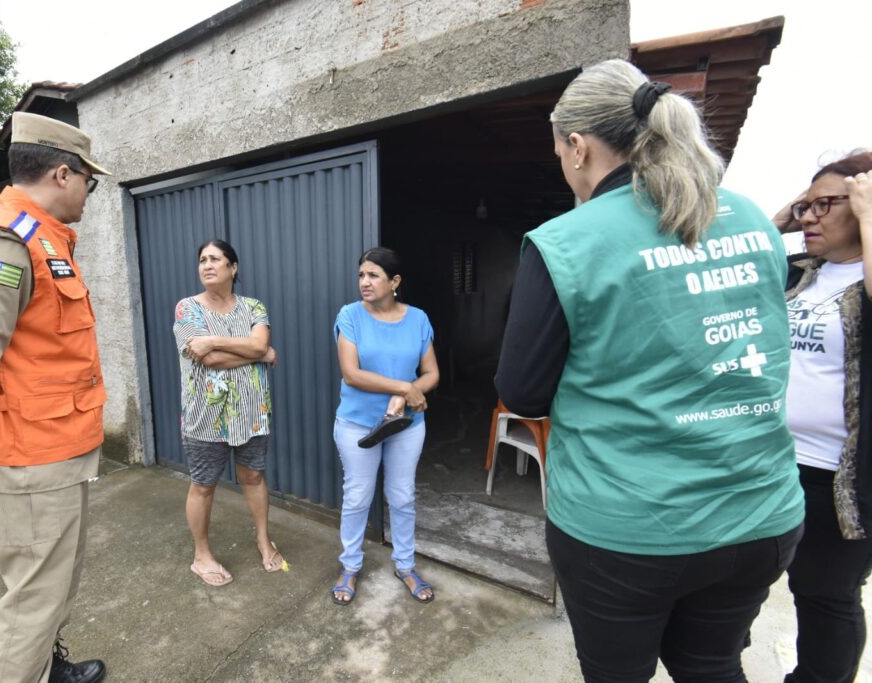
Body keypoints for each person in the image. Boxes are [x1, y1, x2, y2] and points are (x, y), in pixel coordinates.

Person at [495, 59, 804, 681]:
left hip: (629, 528)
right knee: (713, 666)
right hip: (760, 514)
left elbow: (522, 392)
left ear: (578, 147)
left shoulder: (567, 241)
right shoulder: (752, 221)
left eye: (559, 151)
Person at [0, 112, 110, 683]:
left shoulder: (41, 240)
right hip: (25, 459)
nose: (88, 192)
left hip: (51, 453)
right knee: (32, 602)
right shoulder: (6, 245)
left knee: (51, 588)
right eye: (89, 181)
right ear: (62, 174)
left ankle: (47, 671)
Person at [783, 151, 872, 683]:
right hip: (769, 462)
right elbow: (741, 247)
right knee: (735, 581)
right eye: (805, 206)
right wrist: (795, 207)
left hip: (835, 480)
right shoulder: (798, 275)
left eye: (826, 206)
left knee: (823, 595)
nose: (809, 218)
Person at [330, 247, 440, 606]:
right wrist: (402, 388)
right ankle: (349, 566)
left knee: (403, 496)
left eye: (373, 275)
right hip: (358, 424)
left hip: (406, 424)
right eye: (362, 274)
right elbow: (352, 373)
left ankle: (405, 565)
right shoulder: (350, 316)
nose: (365, 282)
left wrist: (411, 392)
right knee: (358, 496)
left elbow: (431, 374)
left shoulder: (418, 319)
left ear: (394, 282)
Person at [172, 239, 281, 587]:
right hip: (205, 418)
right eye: (202, 259)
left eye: (215, 259)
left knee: (253, 477)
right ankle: (201, 555)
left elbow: (254, 344)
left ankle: (265, 541)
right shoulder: (187, 308)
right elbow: (212, 360)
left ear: (233, 268)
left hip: (252, 412)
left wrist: (214, 340)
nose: (207, 264)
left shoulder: (253, 307)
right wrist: (257, 354)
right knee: (203, 486)